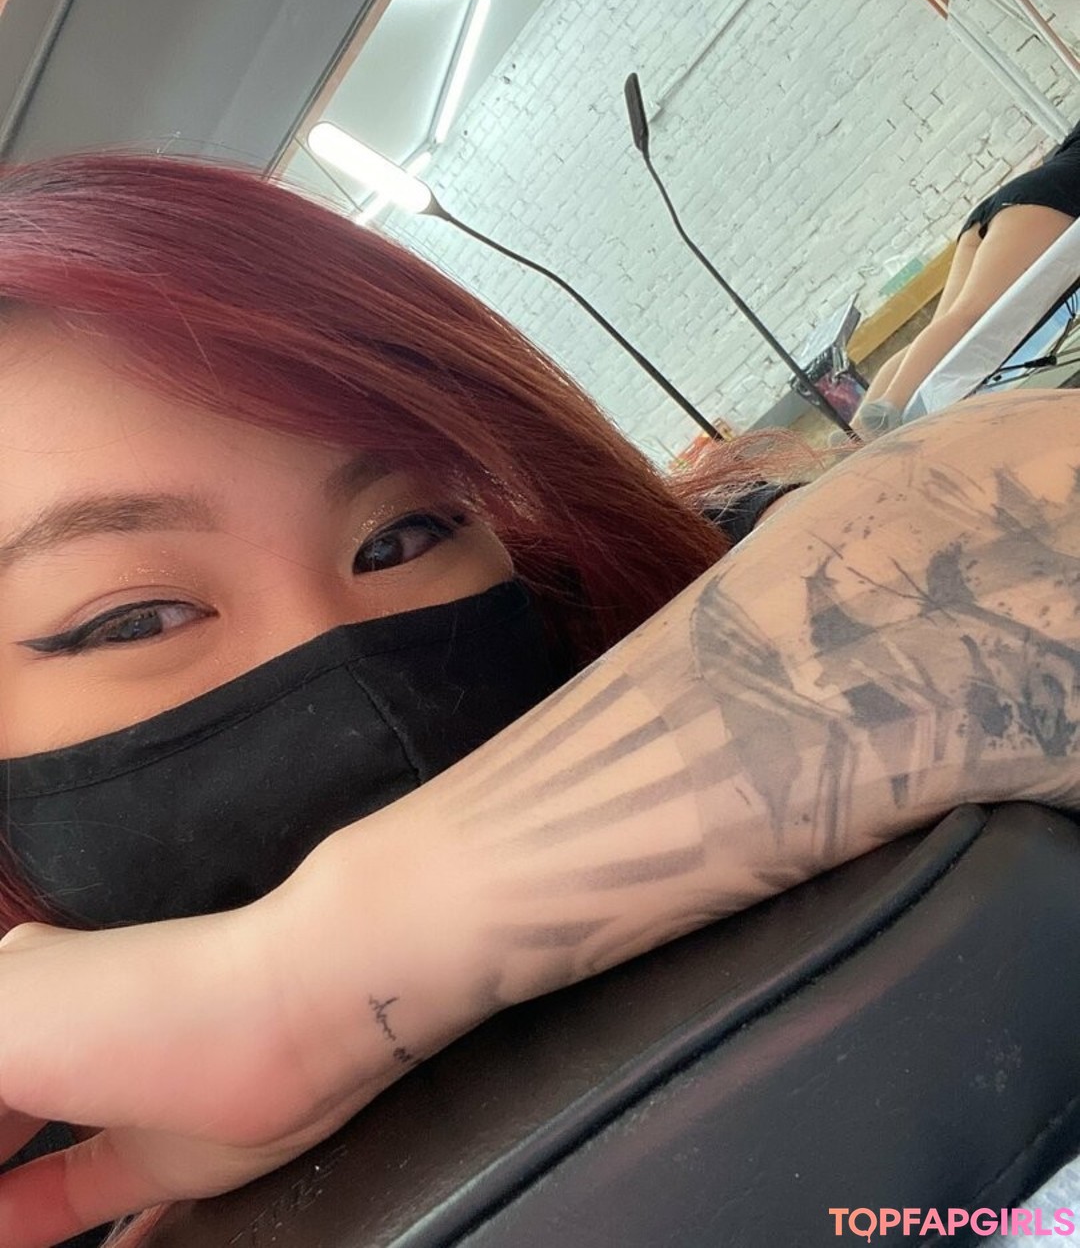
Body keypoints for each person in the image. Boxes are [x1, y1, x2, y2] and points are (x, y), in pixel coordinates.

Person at [0, 154, 1078, 1248]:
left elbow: (1035, 509)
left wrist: (303, 980)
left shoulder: (682, 631)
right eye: (130, 621)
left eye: (402, 535)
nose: (339, 660)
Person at [851, 118, 1080, 437]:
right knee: (971, 315)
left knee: (950, 322)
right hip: (1054, 195)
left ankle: (855, 435)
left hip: (1014, 198)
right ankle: (888, 408)